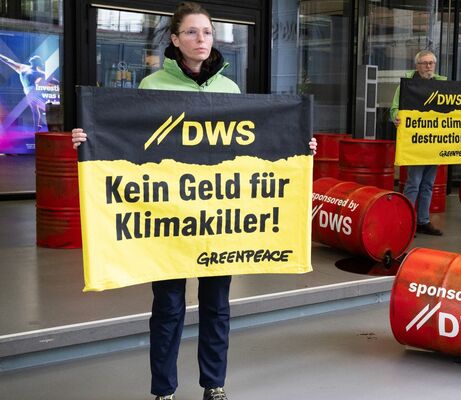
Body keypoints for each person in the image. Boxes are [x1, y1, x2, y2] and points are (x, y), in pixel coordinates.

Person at [72, 3, 316, 400]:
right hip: (168, 218)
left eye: (206, 32)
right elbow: (129, 142)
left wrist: (297, 144)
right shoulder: (152, 88)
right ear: (174, 40)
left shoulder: (231, 91)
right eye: (191, 32)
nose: (201, 39)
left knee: (217, 305)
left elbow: (258, 142)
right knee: (168, 307)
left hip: (218, 221)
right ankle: (164, 389)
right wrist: (89, 139)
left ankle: (214, 384)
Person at [389, 49, 446, 236]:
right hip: (415, 143)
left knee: (428, 183)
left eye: (431, 63)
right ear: (417, 65)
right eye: (424, 63)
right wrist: (396, 116)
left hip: (434, 142)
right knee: (413, 182)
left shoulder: (443, 84)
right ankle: (406, 221)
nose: (428, 66)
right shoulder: (407, 85)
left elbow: (455, 108)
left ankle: (422, 221)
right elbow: (395, 108)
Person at [0, 53, 54, 130]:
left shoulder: (39, 72)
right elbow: (8, 61)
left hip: (33, 92)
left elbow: (53, 81)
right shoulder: (23, 67)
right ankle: (36, 127)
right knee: (35, 110)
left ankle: (39, 127)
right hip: (29, 92)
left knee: (39, 109)